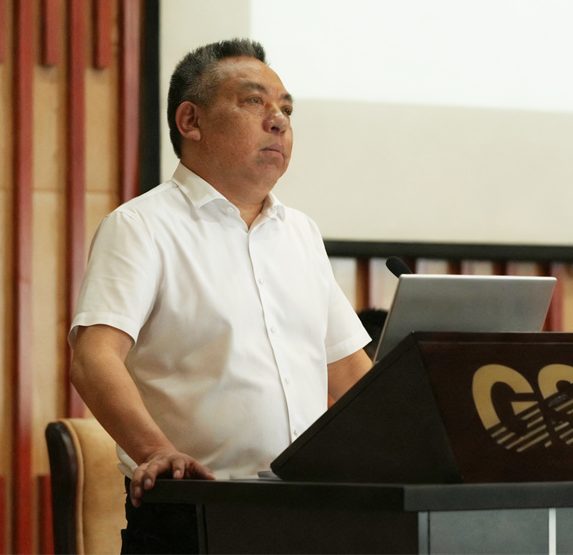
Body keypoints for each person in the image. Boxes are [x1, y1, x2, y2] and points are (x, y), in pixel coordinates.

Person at [68, 38, 372, 553]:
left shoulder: (301, 233)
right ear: (191, 121)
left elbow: (351, 375)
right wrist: (157, 451)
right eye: (254, 101)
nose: (278, 121)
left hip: (311, 511)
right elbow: (93, 357)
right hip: (193, 511)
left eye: (286, 109)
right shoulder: (142, 226)